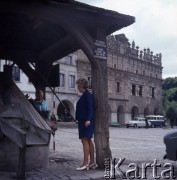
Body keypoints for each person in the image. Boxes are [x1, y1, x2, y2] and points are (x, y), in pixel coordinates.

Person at [75, 78, 98, 171]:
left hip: (86, 122)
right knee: (88, 140)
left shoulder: (87, 95)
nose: (78, 88)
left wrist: (88, 119)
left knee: (85, 140)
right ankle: (92, 162)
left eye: (78, 86)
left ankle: (85, 163)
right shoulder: (85, 95)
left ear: (81, 86)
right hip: (83, 122)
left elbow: (90, 108)